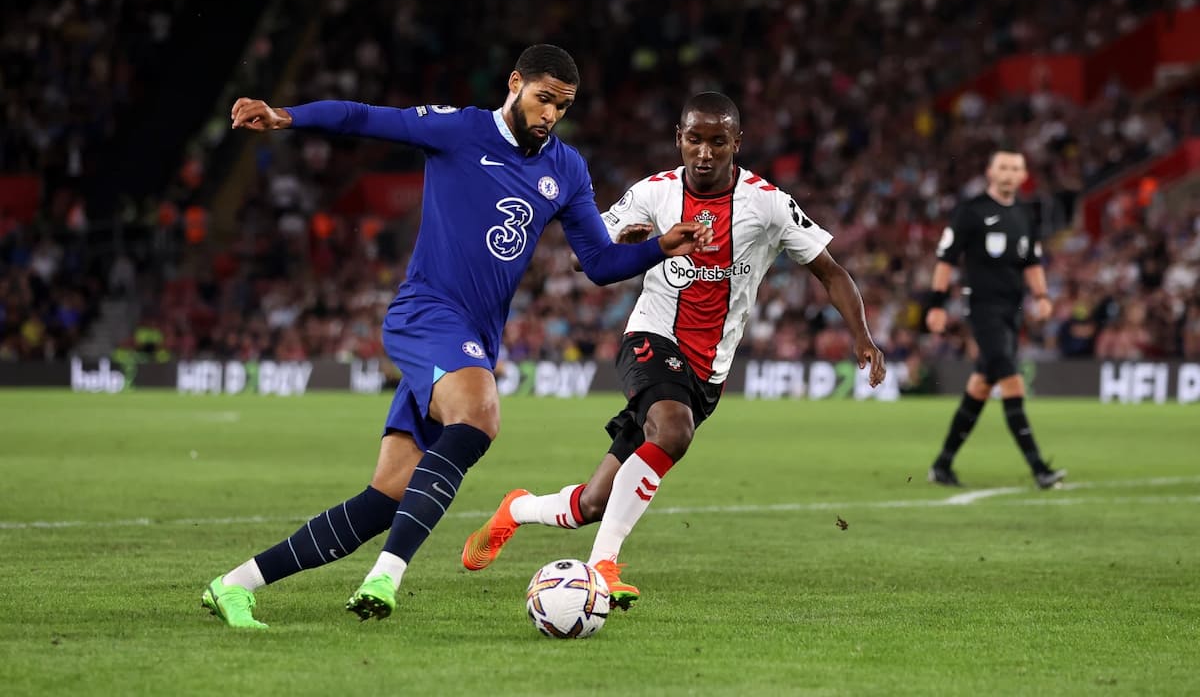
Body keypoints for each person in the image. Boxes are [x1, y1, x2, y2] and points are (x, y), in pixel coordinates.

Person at [201, 45, 713, 628]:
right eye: (543, 99)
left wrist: (658, 248)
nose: (550, 114)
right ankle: (385, 576)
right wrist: (286, 116)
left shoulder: (567, 169)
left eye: (562, 106)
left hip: (473, 338)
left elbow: (597, 262)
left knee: (384, 499)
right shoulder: (458, 130)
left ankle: (234, 585)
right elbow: (363, 117)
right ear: (515, 83)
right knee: (479, 415)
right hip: (426, 314)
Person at [460, 92, 887, 607]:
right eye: (695, 140)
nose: (704, 152)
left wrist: (862, 335)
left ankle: (517, 509)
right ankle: (602, 567)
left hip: (708, 372)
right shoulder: (653, 193)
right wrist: (625, 245)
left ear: (736, 143)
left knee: (593, 503)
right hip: (651, 337)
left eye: (717, 141)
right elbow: (581, 258)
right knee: (673, 430)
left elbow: (831, 271)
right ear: (679, 138)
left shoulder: (768, 203)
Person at [924, 149, 1066, 489]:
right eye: (1003, 167)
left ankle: (942, 464)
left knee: (981, 385)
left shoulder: (1025, 214)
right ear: (990, 172)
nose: (1009, 173)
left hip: (1012, 310)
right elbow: (946, 259)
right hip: (982, 308)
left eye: (1015, 168)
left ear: (1023, 176)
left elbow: (1032, 262)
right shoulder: (971, 211)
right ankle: (1039, 468)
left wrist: (1042, 296)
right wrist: (936, 305)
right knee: (1010, 378)